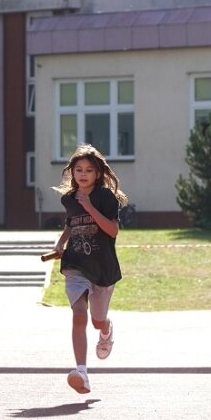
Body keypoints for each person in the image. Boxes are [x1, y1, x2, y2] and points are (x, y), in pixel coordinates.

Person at [51, 144, 127, 394]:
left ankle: (106, 330)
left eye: (88, 170)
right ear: (72, 173)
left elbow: (113, 231)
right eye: (78, 170)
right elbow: (72, 224)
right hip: (76, 265)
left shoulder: (106, 198)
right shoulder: (69, 199)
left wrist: (90, 207)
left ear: (97, 174)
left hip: (103, 268)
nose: (83, 174)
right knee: (79, 314)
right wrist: (61, 242)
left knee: (96, 321)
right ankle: (81, 371)